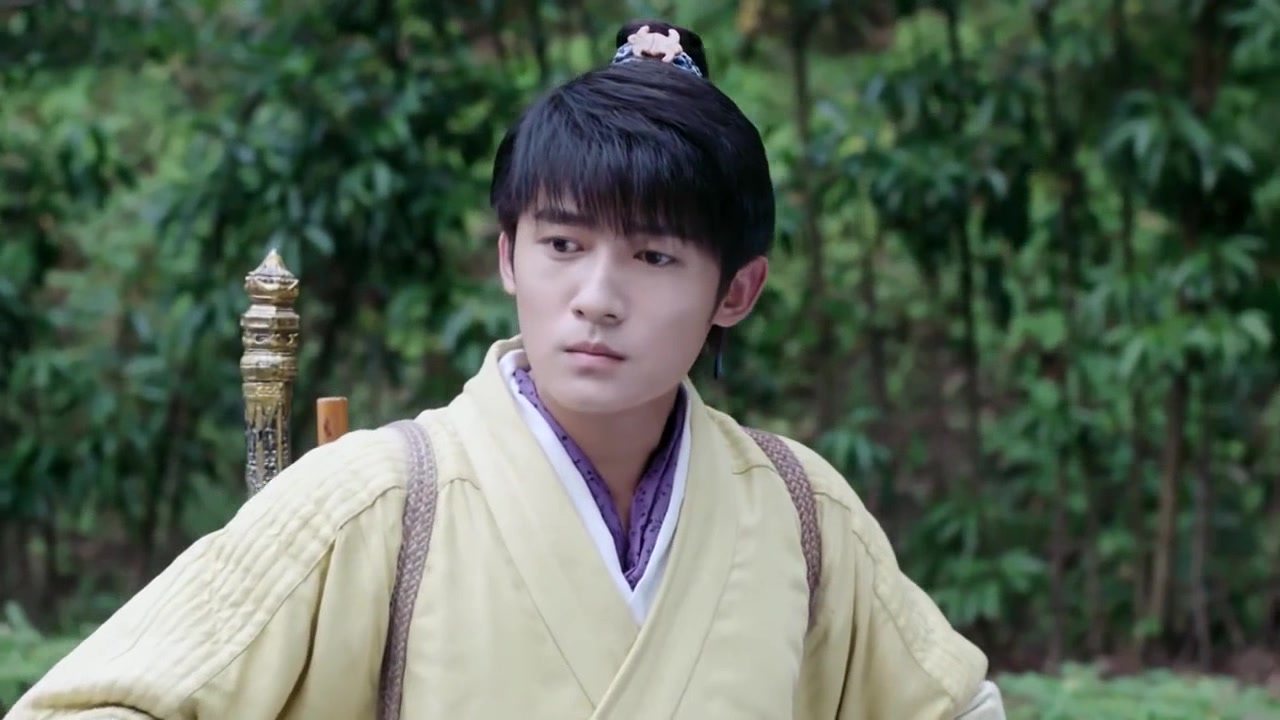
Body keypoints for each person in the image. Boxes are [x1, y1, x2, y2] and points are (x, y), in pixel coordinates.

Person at [8, 19, 1006, 720]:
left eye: (654, 257)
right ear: (508, 257)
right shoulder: (379, 502)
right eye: (563, 245)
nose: (597, 296)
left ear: (736, 291)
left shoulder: (800, 513)